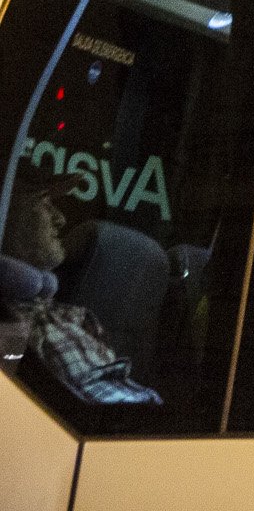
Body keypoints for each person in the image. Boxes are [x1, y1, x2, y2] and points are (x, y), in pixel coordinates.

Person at [1, 168, 161, 406]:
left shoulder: (70, 316)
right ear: (7, 216)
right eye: (44, 203)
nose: (60, 218)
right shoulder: (11, 325)